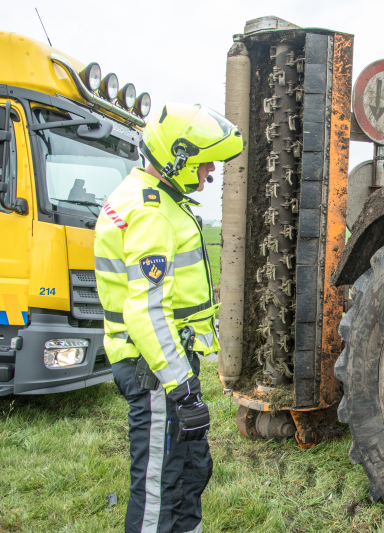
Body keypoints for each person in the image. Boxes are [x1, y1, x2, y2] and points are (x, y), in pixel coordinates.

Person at [94, 102, 243, 533]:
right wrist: (184, 390)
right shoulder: (151, 213)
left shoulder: (155, 199)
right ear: (176, 158)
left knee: (190, 471)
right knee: (159, 488)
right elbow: (146, 311)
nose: (210, 172)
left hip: (164, 364)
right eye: (202, 163)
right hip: (157, 371)